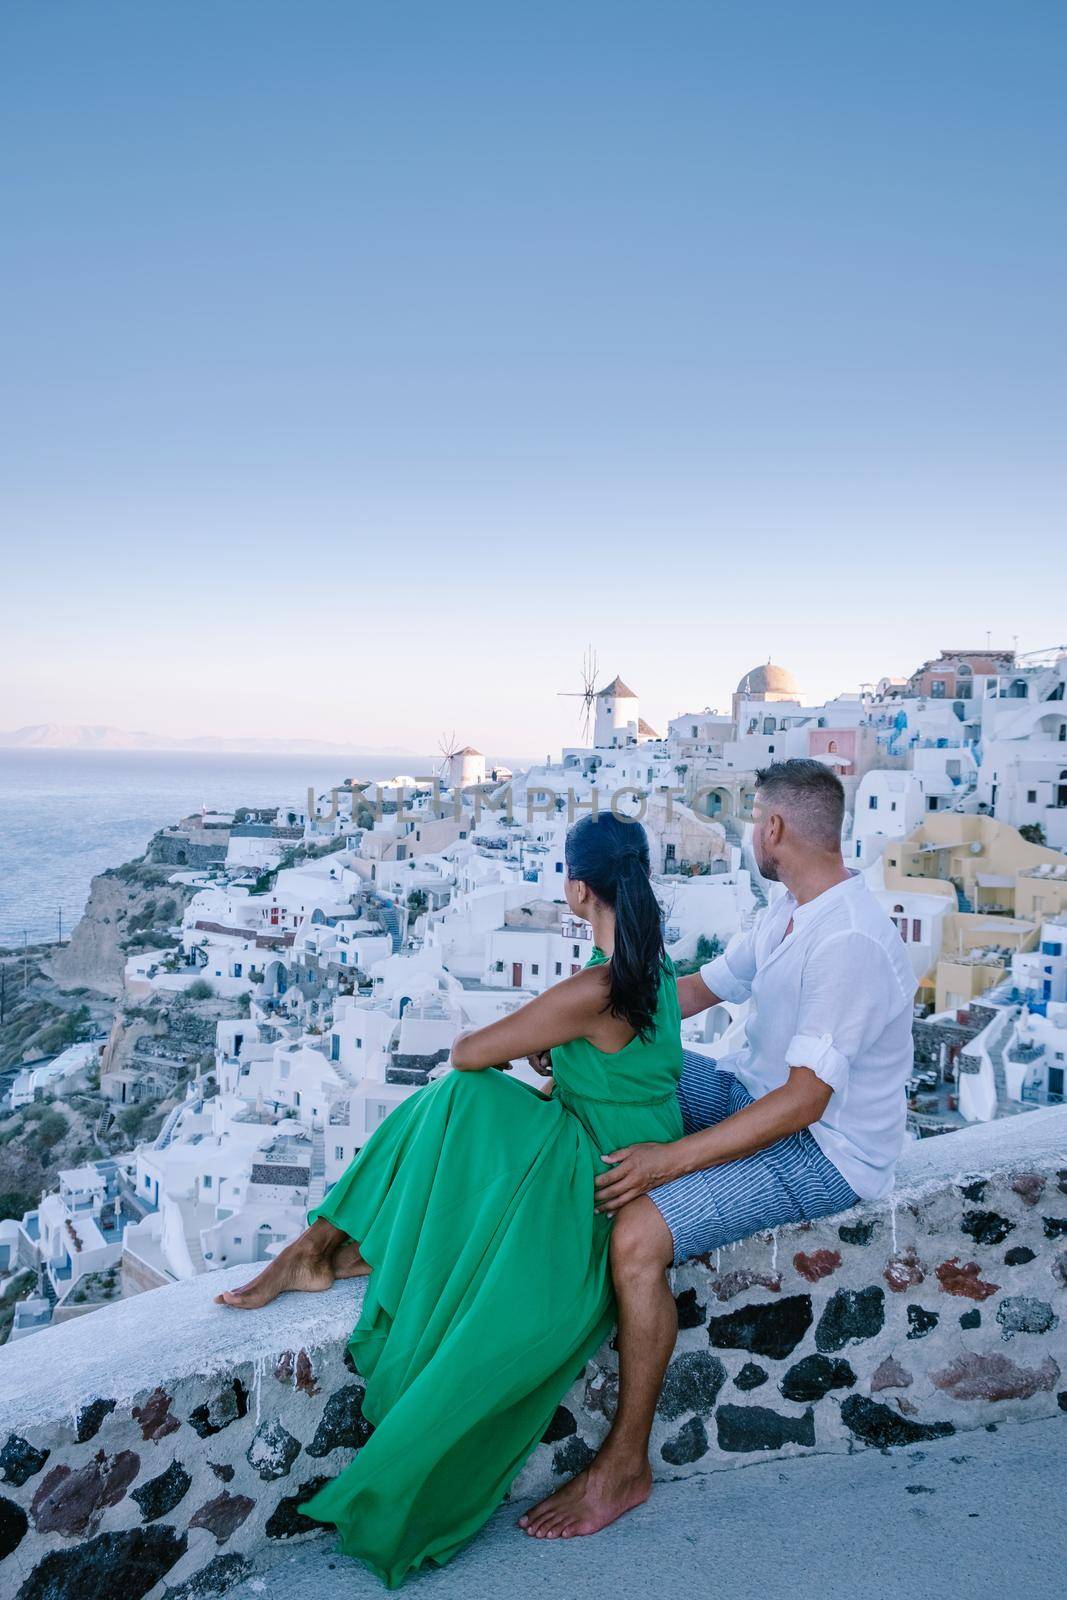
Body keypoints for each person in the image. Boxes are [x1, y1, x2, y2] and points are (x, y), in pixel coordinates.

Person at [216, 810, 685, 1588]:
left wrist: (545, 1037)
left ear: (576, 892)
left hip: (591, 1172)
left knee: (457, 1095)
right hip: (616, 1148)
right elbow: (614, 1062)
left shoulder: (594, 986)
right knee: (463, 1106)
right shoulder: (653, 971)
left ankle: (318, 1246)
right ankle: (324, 1248)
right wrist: (555, 1047)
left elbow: (469, 1052)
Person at [519, 758, 918, 1542]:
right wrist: (581, 1033)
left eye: (752, 822)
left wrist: (670, 1162)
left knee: (638, 1237)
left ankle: (625, 1464)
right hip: (749, 1090)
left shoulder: (849, 943)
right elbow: (695, 988)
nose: (748, 836)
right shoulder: (787, 909)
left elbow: (806, 1101)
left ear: (773, 828)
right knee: (588, 1073)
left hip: (823, 1147)